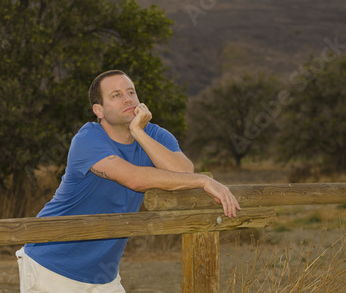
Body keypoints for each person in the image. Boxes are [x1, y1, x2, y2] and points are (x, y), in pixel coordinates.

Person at [16, 69, 240, 292]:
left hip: (103, 275)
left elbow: (184, 173)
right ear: (99, 110)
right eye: (116, 95)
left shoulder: (155, 135)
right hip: (51, 266)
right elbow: (134, 178)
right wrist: (203, 181)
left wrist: (139, 133)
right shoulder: (88, 138)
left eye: (131, 92)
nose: (127, 99)